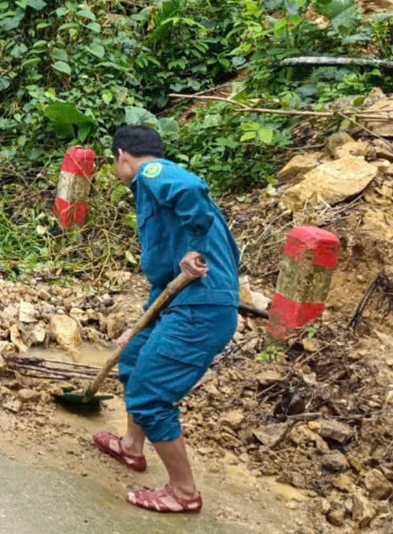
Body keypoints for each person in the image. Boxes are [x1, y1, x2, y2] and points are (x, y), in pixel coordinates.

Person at [93, 125, 241, 515]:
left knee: (149, 394)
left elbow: (192, 189)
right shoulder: (152, 196)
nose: (116, 168)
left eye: (113, 162)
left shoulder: (154, 174)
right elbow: (166, 276)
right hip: (176, 302)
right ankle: (131, 446)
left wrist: (194, 247)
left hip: (200, 309)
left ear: (123, 155)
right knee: (133, 357)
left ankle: (184, 492)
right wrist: (142, 321)